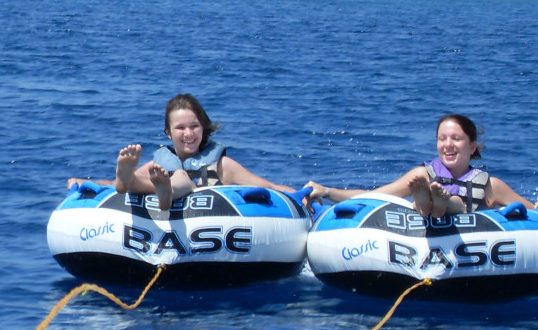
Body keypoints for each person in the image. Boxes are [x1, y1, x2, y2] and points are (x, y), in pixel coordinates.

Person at [67, 93, 296, 210]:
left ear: (203, 128)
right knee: (138, 180)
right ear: (168, 133)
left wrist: (300, 195)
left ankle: (165, 192)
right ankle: (128, 180)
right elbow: (109, 184)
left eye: (194, 126)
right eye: (180, 128)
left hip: (192, 199)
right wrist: (86, 182)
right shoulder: (161, 163)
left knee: (181, 178)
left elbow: (268, 187)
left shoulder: (221, 165)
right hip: (159, 189)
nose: (189, 134)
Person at [305, 114, 537, 216]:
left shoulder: (490, 185)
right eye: (442, 138)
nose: (448, 145)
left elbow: (530, 212)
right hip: (424, 217)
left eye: (456, 139)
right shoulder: (422, 175)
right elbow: (373, 196)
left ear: (472, 146)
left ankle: (439, 202)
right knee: (424, 200)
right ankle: (426, 203)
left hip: (462, 213)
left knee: (456, 203)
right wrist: (327, 191)